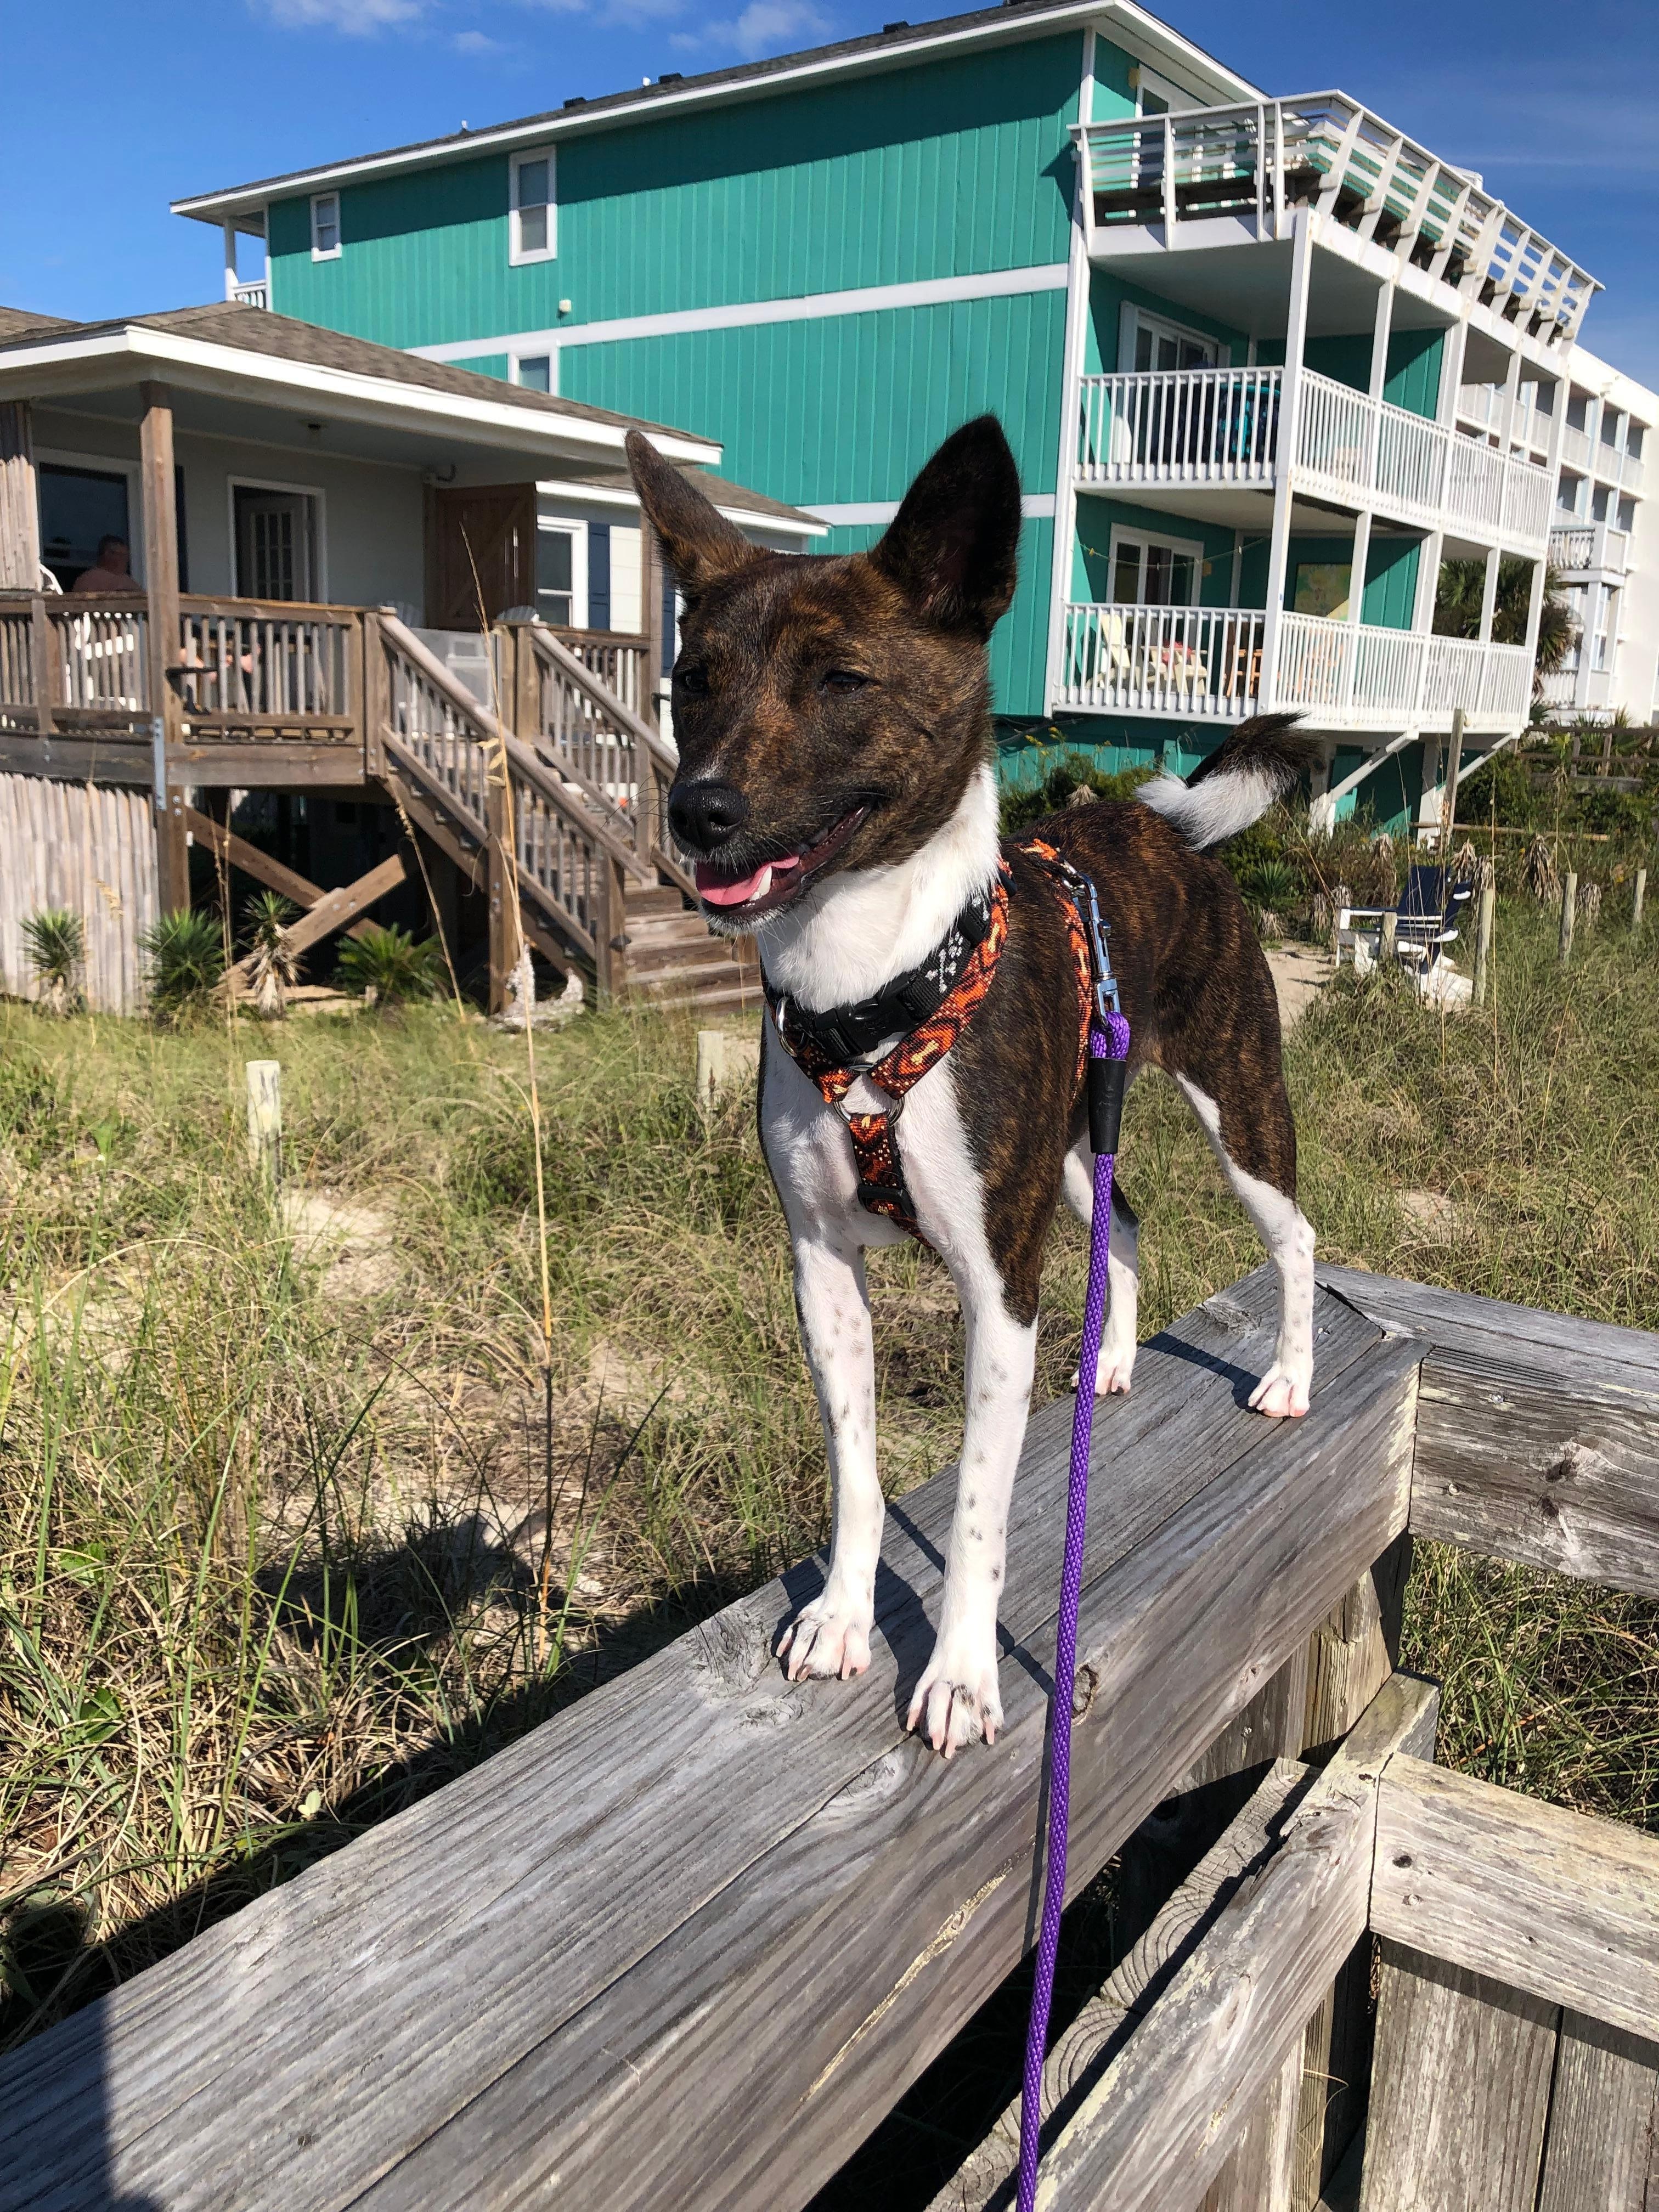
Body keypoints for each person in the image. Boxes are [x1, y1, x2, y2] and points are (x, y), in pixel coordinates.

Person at [74, 535, 143, 594]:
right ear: (107, 554)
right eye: (122, 555)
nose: (125, 560)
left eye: (126, 556)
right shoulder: (91, 578)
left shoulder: (124, 578)